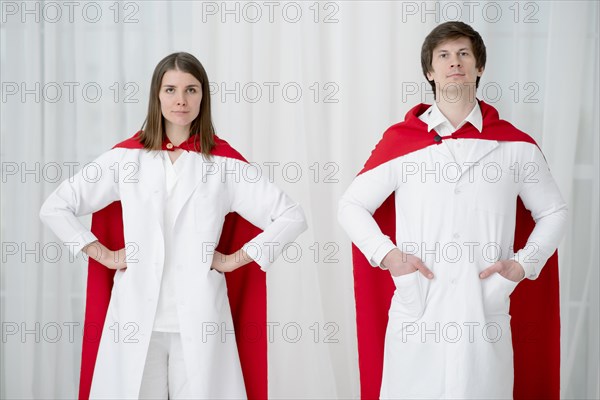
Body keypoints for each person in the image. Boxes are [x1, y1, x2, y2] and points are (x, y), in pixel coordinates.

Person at [40, 52, 307, 399]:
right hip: (136, 318)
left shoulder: (225, 165)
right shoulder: (125, 159)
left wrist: (233, 259)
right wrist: (101, 254)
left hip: (200, 317)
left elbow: (292, 217)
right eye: (170, 89)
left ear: (203, 97)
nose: (180, 99)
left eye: (191, 90)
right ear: (157, 96)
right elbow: (55, 206)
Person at [338, 21, 567, 399]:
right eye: (443, 55)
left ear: (479, 67)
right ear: (429, 71)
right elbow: (351, 205)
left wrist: (523, 265)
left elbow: (554, 212)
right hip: (419, 306)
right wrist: (389, 256)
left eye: (464, 54)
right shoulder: (403, 142)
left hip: (484, 307)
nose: (454, 62)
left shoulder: (516, 146)